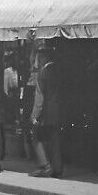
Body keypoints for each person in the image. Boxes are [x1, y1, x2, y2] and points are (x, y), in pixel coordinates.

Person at [30, 43, 64, 177]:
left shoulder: (42, 73)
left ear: (43, 58)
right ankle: (57, 169)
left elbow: (40, 96)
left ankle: (45, 165)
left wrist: (34, 115)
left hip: (48, 112)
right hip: (60, 110)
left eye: (39, 57)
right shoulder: (60, 70)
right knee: (56, 140)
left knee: (37, 136)